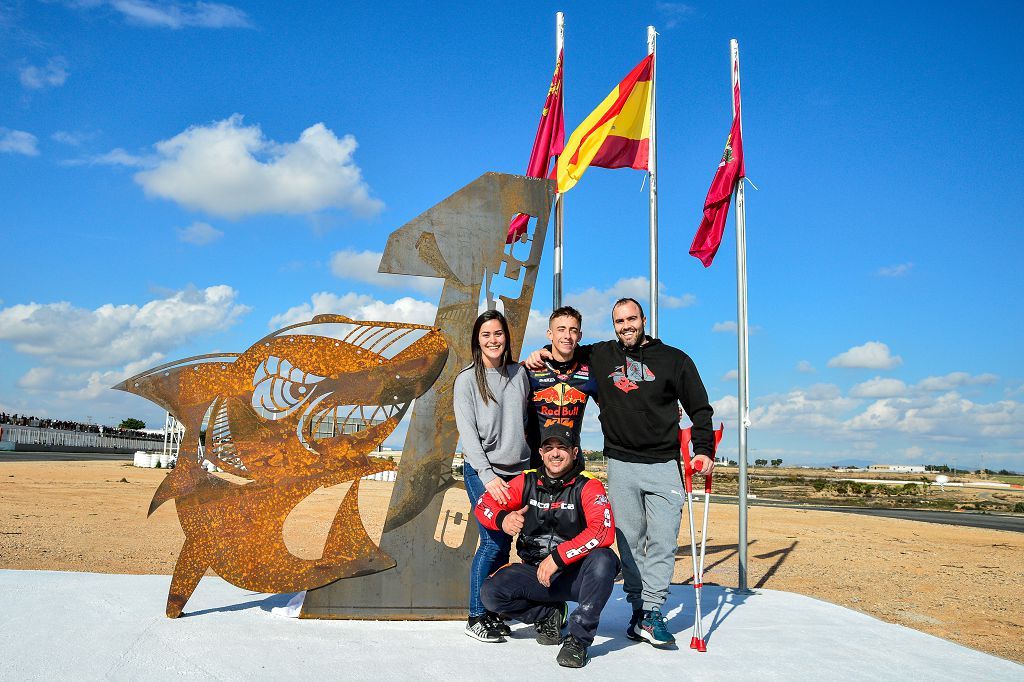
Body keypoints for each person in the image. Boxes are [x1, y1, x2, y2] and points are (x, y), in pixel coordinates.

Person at [526, 297, 714, 648]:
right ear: (613, 325)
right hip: (622, 464)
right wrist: (537, 354)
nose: (626, 326)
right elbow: (565, 348)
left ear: (643, 319)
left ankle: (653, 611)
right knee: (628, 544)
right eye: (619, 321)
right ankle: (639, 611)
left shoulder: (675, 360)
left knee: (661, 541)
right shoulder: (600, 354)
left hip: (664, 464)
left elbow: (700, 409)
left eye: (631, 319)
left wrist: (703, 451)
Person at [475, 424, 618, 668]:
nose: (555, 453)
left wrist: (558, 558)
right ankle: (548, 615)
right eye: (549, 448)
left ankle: (577, 639)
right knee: (490, 593)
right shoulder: (526, 480)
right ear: (540, 453)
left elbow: (603, 531)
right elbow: (483, 504)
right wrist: (503, 519)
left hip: (575, 575)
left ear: (574, 453)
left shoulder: (588, 484)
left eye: (562, 448)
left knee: (605, 559)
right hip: (536, 574)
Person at [454, 309, 532, 643]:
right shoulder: (467, 381)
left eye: (498, 334)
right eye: (486, 335)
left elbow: (532, 422)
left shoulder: (520, 374)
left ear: (506, 337)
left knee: (506, 545)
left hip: (518, 473)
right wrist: (488, 477)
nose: (492, 340)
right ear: (477, 340)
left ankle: (494, 610)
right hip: (483, 472)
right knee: (492, 540)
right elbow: (468, 435)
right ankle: (475, 616)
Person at [525, 306, 598, 466]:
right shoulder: (529, 368)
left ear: (579, 336)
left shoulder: (590, 372)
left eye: (573, 330)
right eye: (561, 329)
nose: (567, 336)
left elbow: (614, 409)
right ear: (549, 334)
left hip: (572, 462)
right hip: (534, 463)